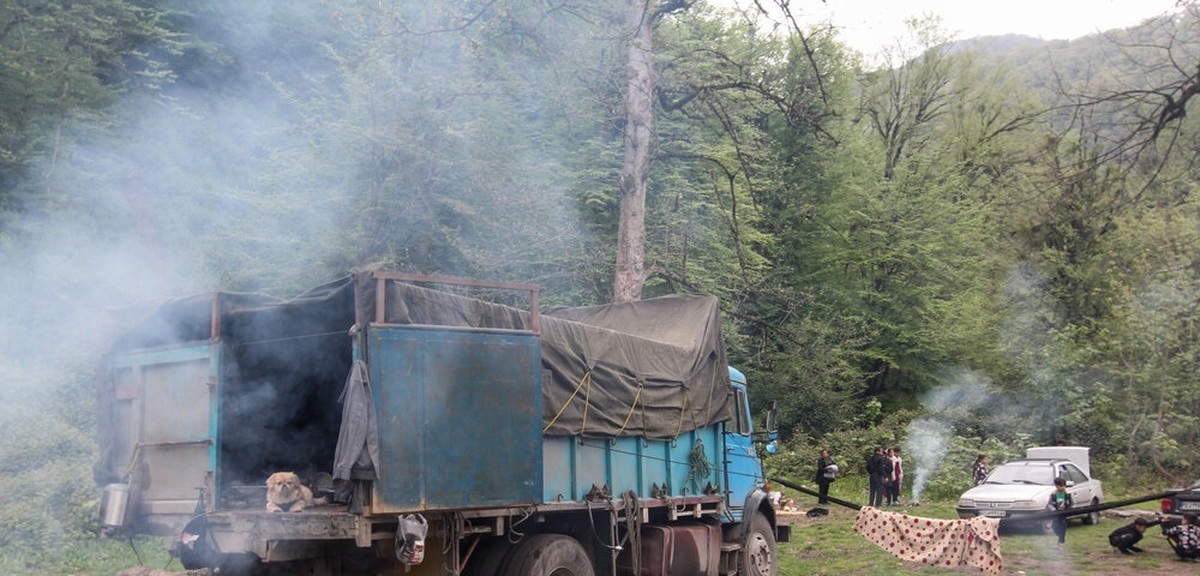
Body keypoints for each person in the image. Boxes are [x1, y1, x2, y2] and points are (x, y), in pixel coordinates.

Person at [1047, 476, 1073, 549]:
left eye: (1063, 486)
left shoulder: (1067, 494)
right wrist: (1054, 510)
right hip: (1056, 514)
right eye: (1060, 486)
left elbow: (1071, 503)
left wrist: (1068, 509)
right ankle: (1059, 536)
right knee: (1054, 527)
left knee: (1063, 528)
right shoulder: (1053, 494)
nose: (1062, 487)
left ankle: (1061, 542)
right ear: (1056, 486)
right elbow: (1050, 504)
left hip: (1064, 514)